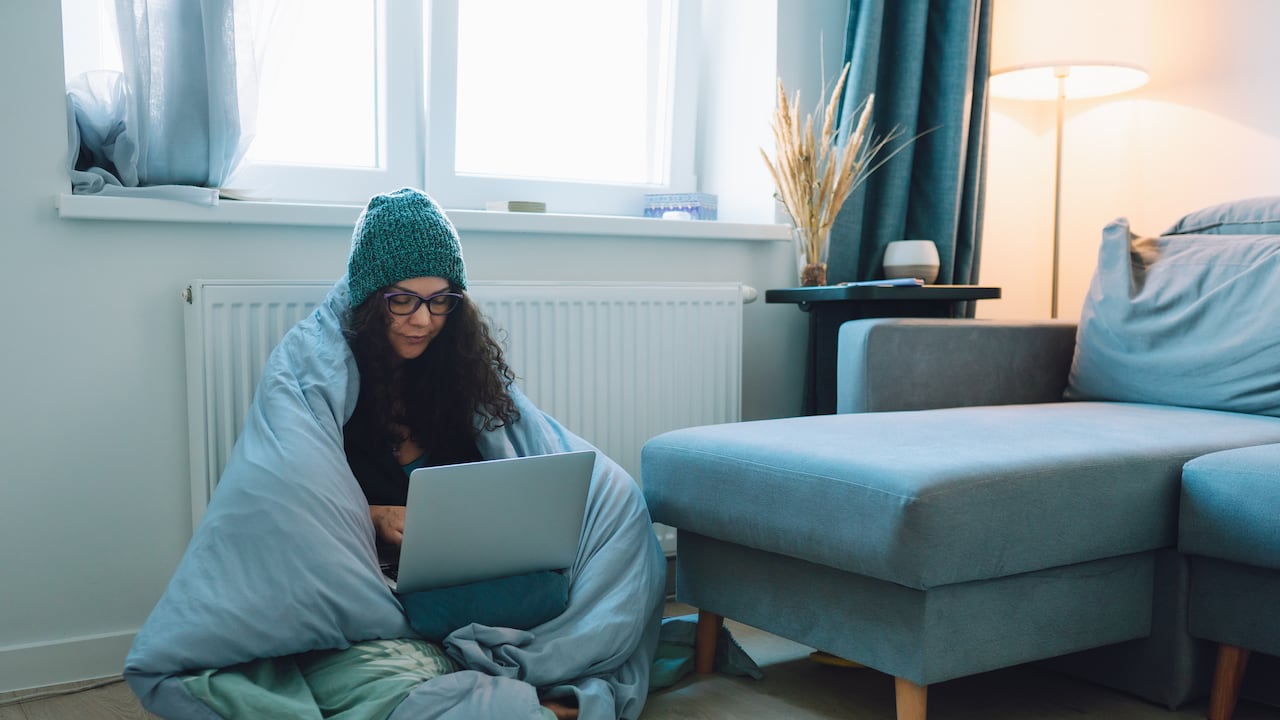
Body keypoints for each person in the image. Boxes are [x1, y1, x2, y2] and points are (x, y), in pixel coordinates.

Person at [341, 187, 584, 719]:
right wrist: (374, 514)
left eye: (440, 301)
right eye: (401, 300)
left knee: (550, 591)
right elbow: (303, 496)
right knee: (412, 607)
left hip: (471, 569)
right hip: (389, 574)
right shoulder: (342, 390)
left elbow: (503, 471)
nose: (423, 320)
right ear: (369, 301)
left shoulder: (457, 376)